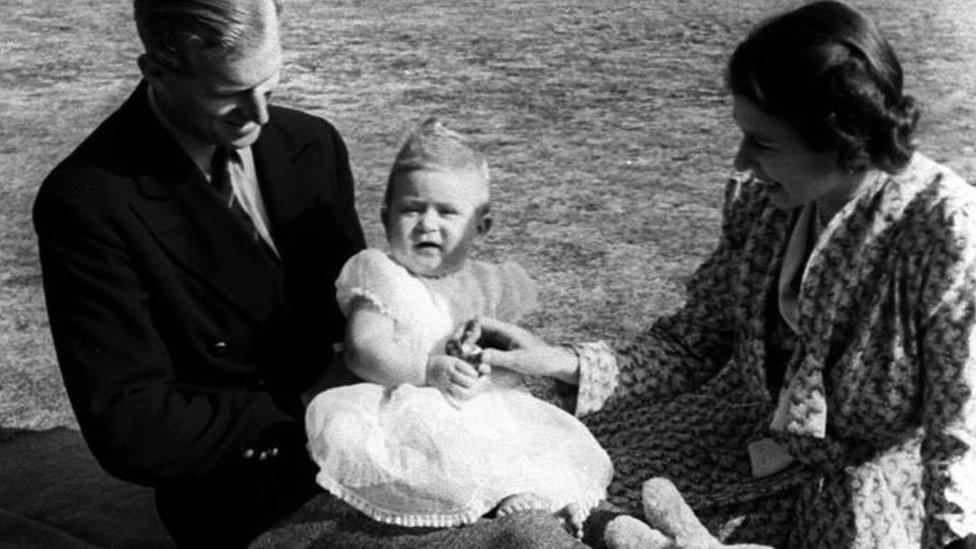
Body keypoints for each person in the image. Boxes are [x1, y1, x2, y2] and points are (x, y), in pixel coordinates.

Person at [477, 2, 976, 548]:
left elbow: (960, 430)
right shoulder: (769, 203)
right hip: (746, 443)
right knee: (546, 482)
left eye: (762, 142)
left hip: (879, 489)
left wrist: (950, 538)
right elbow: (692, 344)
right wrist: (560, 361)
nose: (741, 160)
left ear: (839, 138)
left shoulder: (941, 228)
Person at [32, 0, 366, 546]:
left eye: (271, 84)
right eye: (228, 94)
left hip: (369, 439)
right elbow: (133, 425)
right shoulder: (91, 201)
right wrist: (306, 410)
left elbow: (354, 312)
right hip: (245, 488)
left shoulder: (313, 144)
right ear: (156, 72)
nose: (258, 115)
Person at [304, 117, 612, 534]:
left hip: (477, 403)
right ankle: (486, 507)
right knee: (437, 445)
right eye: (412, 209)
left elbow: (510, 356)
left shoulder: (487, 284)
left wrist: (491, 365)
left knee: (521, 438)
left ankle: (539, 503)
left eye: (447, 212)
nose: (428, 224)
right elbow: (364, 349)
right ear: (385, 215)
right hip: (405, 402)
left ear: (480, 225)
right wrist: (426, 370)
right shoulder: (380, 274)